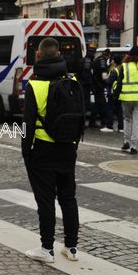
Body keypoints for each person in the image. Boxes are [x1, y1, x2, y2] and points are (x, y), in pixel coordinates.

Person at [21, 37, 81, 263]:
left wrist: (26, 151)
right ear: (59, 55)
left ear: (38, 56)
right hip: (68, 148)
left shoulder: (34, 85)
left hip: (43, 149)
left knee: (46, 201)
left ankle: (47, 248)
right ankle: (72, 247)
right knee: (68, 198)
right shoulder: (73, 80)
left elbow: (27, 124)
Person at [114, 45, 138, 155]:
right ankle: (133, 146)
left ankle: (126, 141)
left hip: (126, 97)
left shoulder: (124, 66)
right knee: (137, 122)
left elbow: (119, 82)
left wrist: (115, 95)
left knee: (127, 119)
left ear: (129, 55)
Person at [93, 49, 113, 132]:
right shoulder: (102, 62)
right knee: (101, 104)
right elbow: (104, 76)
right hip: (99, 85)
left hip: (95, 84)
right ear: (107, 55)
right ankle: (103, 121)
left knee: (98, 103)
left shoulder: (97, 59)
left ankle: (93, 121)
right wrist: (108, 81)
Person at [106, 55, 124, 132]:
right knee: (119, 110)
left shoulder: (114, 70)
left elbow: (109, 82)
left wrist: (106, 78)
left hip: (113, 92)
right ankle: (121, 127)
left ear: (115, 61)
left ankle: (109, 126)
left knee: (110, 109)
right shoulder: (122, 69)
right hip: (120, 93)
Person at [78, 47, 95, 127]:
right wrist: (91, 87)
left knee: (82, 104)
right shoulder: (88, 61)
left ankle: (81, 122)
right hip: (85, 86)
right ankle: (82, 123)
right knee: (85, 105)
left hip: (81, 85)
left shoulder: (82, 60)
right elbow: (87, 76)